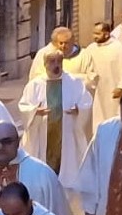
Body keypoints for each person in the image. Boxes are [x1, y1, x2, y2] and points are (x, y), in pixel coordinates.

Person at [18, 50, 92, 191]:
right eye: (52, 62)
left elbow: (86, 102)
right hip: (43, 133)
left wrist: (79, 109)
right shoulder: (35, 85)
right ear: (45, 64)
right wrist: (34, 111)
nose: (56, 65)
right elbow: (24, 106)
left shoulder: (74, 82)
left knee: (67, 170)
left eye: (59, 61)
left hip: (66, 133)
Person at [86, 21, 122, 130]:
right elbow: (86, 67)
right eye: (94, 33)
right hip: (97, 91)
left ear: (106, 34)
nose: (94, 36)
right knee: (96, 118)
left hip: (112, 89)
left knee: (112, 118)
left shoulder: (118, 48)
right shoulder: (91, 48)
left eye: (98, 33)